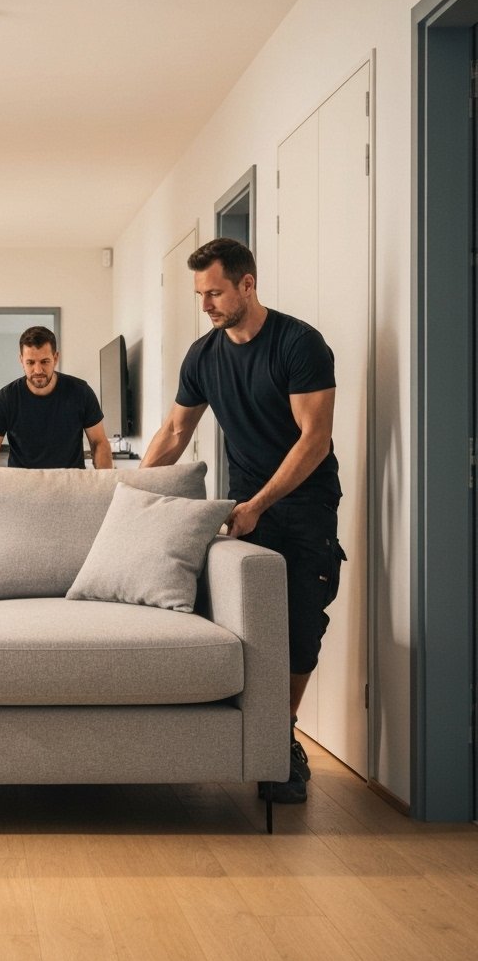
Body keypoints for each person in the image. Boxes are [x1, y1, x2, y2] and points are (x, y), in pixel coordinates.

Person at [140, 237, 344, 803]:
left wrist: (259, 504)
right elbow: (175, 433)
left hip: (303, 508)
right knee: (249, 630)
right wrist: (123, 493)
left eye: (215, 292)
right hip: (245, 514)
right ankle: (261, 737)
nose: (205, 304)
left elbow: (315, 439)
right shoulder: (203, 356)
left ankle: (281, 738)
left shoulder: (299, 344)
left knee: (302, 629)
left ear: (247, 285)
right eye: (200, 294)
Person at [0, 325, 113, 469]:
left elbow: (99, 443)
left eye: (44, 361)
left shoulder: (80, 392)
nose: (38, 370)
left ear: (55, 358)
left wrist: (105, 484)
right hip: (22, 486)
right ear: (21, 360)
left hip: (70, 484)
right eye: (30, 362)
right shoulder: (6, 399)